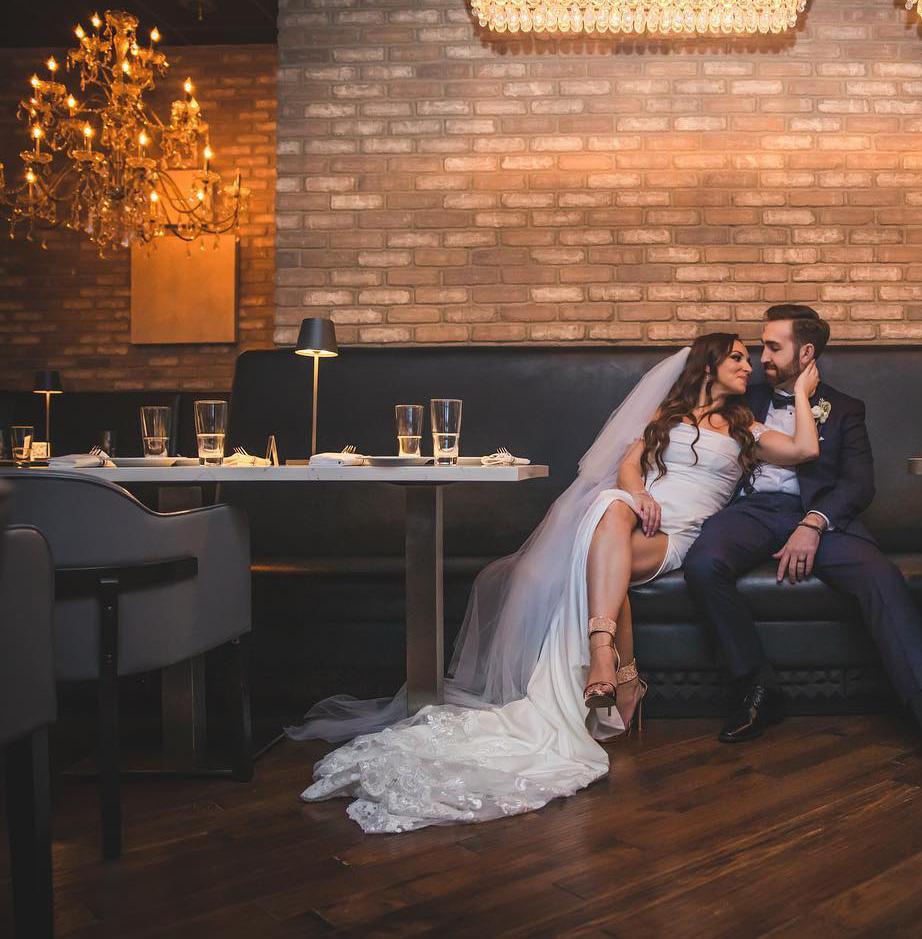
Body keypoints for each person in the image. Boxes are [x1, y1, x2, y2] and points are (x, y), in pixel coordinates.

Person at [291, 334, 818, 833]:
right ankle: (614, 667)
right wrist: (639, 495)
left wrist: (800, 392)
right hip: (634, 519)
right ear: (707, 366)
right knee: (612, 504)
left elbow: (804, 450)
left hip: (675, 535)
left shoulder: (745, 428)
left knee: (601, 535)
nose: (748, 366)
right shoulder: (664, 418)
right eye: (736, 358)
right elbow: (628, 468)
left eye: (748, 358)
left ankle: (614, 667)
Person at [684, 305, 922, 744]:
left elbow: (859, 484)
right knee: (702, 563)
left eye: (774, 348)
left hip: (819, 516)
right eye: (761, 347)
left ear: (806, 352)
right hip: (753, 511)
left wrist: (813, 523)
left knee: (881, 576)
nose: (762, 358)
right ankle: (756, 687)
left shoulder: (846, 409)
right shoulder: (742, 399)